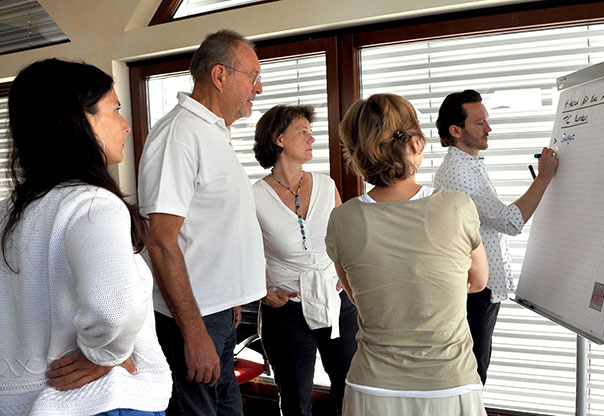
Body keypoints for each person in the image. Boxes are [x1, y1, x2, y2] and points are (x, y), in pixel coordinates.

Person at [0, 58, 171, 415]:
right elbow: (114, 309)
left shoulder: (8, 212)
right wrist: (104, 354)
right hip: (102, 400)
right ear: (81, 119)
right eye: (115, 110)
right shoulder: (91, 204)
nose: (125, 126)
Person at [326, 93, 489, 416]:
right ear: (415, 143)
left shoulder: (342, 219)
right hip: (449, 384)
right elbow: (477, 281)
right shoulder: (456, 206)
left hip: (372, 388)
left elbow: (358, 295)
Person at [137, 29, 266, 415]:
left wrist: (229, 298)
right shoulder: (179, 135)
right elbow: (160, 241)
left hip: (218, 311)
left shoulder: (213, 132)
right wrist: (194, 331)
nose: (258, 89)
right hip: (192, 321)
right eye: (253, 77)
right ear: (220, 75)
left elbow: (210, 227)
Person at [433, 89, 559, 385]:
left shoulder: (469, 164)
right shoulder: (458, 171)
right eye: (479, 123)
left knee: (476, 369)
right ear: (456, 130)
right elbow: (509, 222)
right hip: (476, 287)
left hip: (481, 284)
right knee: (474, 374)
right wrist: (543, 178)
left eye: (486, 120)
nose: (489, 128)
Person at [252, 105, 359, 415]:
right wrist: (263, 292)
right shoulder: (254, 196)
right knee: (297, 402)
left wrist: (347, 273)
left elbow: (345, 239)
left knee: (351, 392)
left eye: (311, 133)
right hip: (287, 311)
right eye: (303, 132)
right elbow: (240, 253)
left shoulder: (326, 185)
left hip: (338, 303)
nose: (312, 139)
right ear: (278, 139)